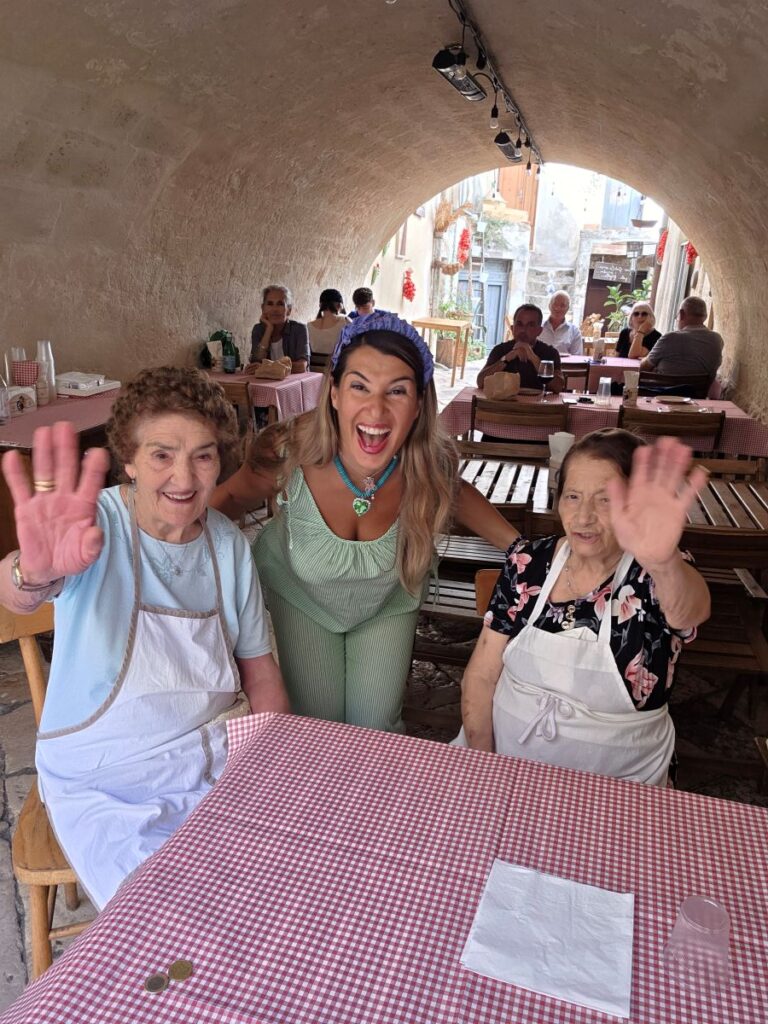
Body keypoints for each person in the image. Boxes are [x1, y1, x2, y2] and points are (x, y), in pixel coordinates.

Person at [0, 368, 289, 909]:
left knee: (278, 882)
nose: (183, 476)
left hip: (211, 754)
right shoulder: (92, 523)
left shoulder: (228, 546)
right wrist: (30, 574)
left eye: (203, 455)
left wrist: (266, 769)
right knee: (166, 914)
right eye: (161, 455)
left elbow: (261, 672)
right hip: (106, 777)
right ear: (128, 459)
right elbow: (22, 589)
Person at [212, 313, 519, 731]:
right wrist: (161, 535)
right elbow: (229, 496)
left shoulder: (426, 464)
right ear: (334, 393)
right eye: (359, 386)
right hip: (302, 598)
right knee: (316, 726)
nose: (376, 409)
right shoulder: (289, 452)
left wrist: (524, 551)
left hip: (387, 602)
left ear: (418, 406)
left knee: (375, 727)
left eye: (397, 391)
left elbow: (457, 492)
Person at [458, 429, 711, 786]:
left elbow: (690, 613)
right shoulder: (529, 563)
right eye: (573, 496)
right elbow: (482, 676)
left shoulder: (654, 571)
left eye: (605, 500)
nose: (584, 516)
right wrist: (487, 767)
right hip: (506, 764)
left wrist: (665, 562)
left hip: (624, 783)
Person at [477, 303, 565, 392]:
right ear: (512, 328)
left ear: (539, 331)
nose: (523, 330)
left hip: (537, 404)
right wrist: (505, 359)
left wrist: (533, 357)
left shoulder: (550, 353)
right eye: (519, 324)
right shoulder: (500, 350)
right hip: (505, 404)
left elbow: (558, 387)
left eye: (530, 325)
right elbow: (480, 382)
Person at [640, 296, 723, 383]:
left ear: (682, 314)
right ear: (705, 317)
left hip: (661, 394)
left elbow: (644, 367)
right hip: (697, 395)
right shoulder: (717, 339)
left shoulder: (670, 338)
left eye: (677, 316)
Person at [248, 284, 310, 374]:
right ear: (263, 308)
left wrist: (267, 367)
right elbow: (256, 362)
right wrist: (269, 330)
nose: (275, 309)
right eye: (270, 304)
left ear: (289, 310)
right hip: (267, 383)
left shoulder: (299, 329)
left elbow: (302, 366)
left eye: (280, 304)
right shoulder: (258, 329)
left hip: (293, 383)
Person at [307, 288, 349, 364]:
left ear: (320, 305)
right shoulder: (345, 321)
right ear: (339, 305)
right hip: (335, 370)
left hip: (313, 369)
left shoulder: (309, 326)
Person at [537, 290, 584, 355]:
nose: (557, 308)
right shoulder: (538, 327)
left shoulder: (574, 332)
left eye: (562, 305)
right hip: (540, 364)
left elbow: (577, 358)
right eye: (555, 304)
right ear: (549, 306)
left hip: (565, 365)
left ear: (567, 308)